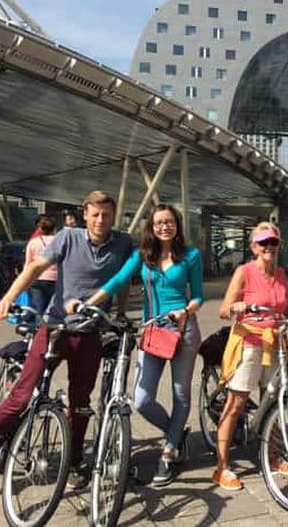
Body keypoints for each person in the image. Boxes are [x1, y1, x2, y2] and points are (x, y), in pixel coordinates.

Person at [0, 191, 133, 486]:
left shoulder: (123, 242)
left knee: (80, 403)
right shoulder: (68, 237)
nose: (100, 220)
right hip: (54, 328)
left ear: (113, 216)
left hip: (90, 333)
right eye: (95, 214)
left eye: (106, 215)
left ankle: (75, 458)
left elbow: (124, 279)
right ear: (85, 215)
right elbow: (36, 268)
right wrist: (7, 299)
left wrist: (119, 313)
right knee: (23, 394)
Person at [80, 204, 203, 487]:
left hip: (183, 329)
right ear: (151, 226)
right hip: (153, 331)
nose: (164, 227)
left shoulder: (191, 256)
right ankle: (176, 433)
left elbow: (197, 296)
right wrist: (88, 304)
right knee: (142, 399)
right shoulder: (142, 256)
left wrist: (186, 311)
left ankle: (168, 452)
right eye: (159, 222)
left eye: (170, 222)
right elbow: (118, 281)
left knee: (181, 394)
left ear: (177, 225)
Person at [213, 222, 288, 490]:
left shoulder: (282, 274)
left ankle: (272, 455)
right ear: (253, 247)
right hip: (249, 341)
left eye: (273, 243)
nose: (268, 247)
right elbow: (223, 309)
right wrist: (236, 307)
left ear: (279, 246)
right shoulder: (244, 271)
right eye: (263, 243)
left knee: (273, 401)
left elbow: (286, 309)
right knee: (236, 403)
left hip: (274, 342)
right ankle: (222, 467)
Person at [23, 214, 58, 314]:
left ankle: (39, 327)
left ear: (40, 228)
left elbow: (28, 263)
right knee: (53, 308)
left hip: (36, 279)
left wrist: (25, 280)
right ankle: (50, 327)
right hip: (56, 279)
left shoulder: (33, 243)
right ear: (54, 228)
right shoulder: (59, 242)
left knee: (39, 308)